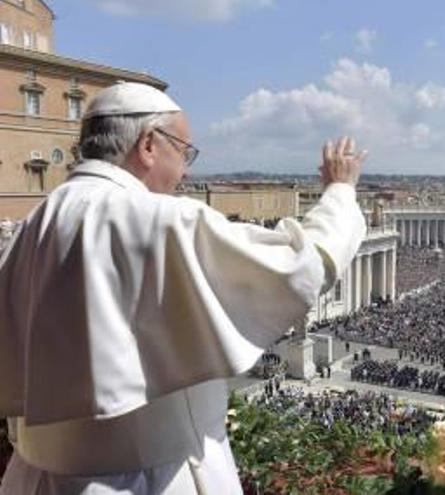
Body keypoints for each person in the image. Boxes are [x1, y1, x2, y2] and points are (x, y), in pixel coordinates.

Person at [0, 82, 368, 494]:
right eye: (184, 151)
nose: (187, 170)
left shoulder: (35, 224)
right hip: (149, 479)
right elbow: (299, 267)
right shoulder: (158, 220)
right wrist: (340, 191)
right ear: (149, 145)